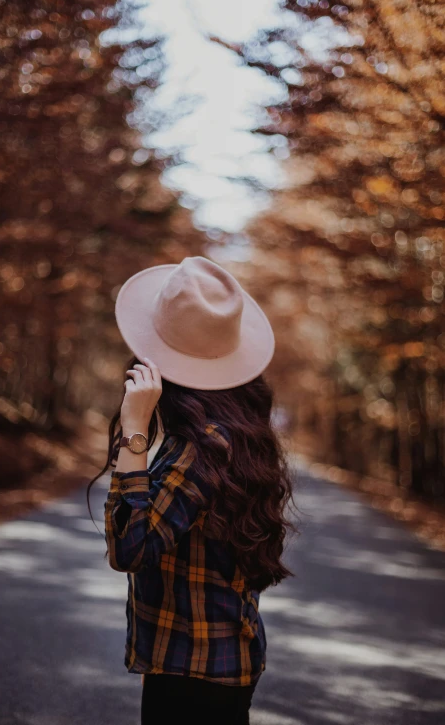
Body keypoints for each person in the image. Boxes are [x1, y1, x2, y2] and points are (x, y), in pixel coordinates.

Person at [87, 256, 298, 725]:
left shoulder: (197, 453)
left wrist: (134, 429)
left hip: (192, 674)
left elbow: (128, 548)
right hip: (223, 662)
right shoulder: (236, 436)